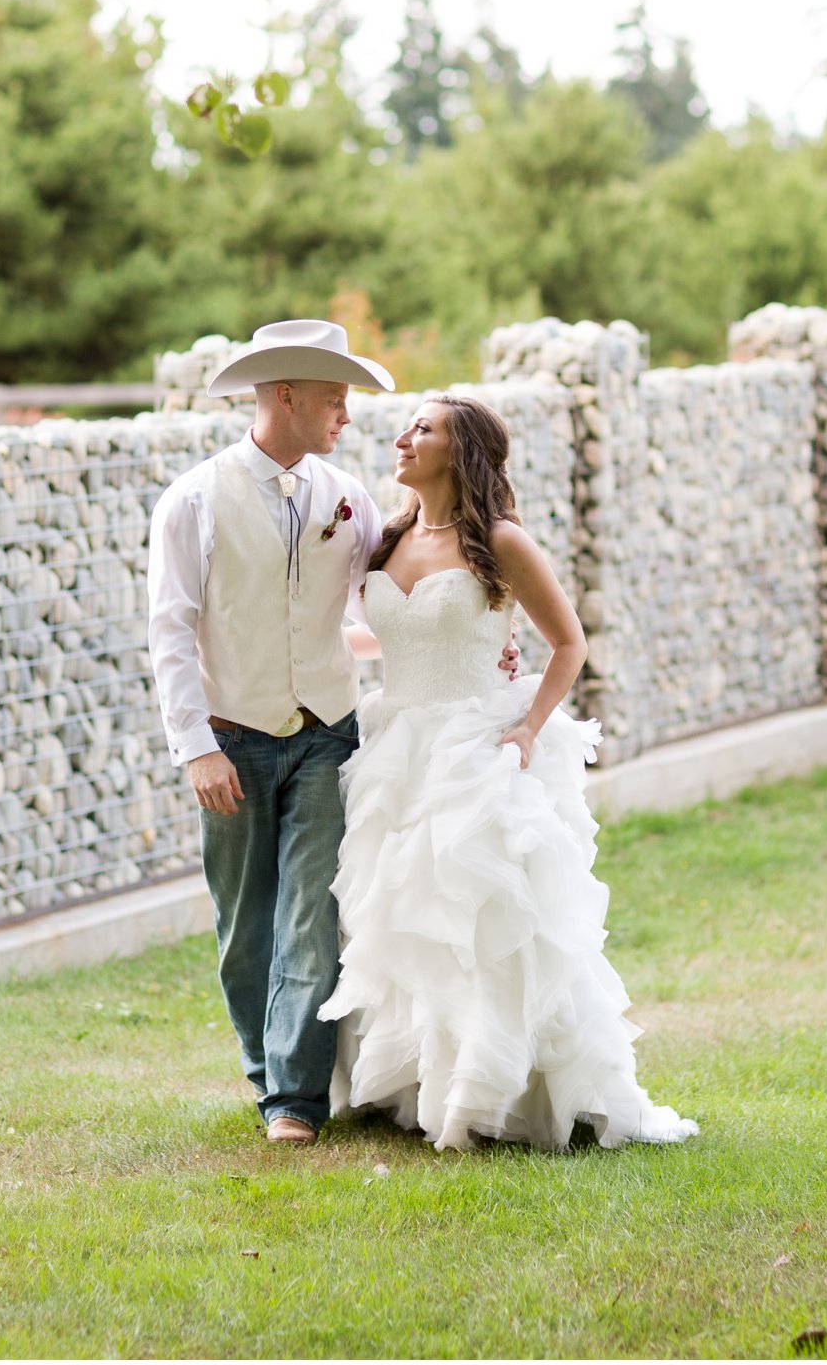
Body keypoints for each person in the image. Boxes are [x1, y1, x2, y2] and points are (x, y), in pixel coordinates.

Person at [146, 321, 514, 1147]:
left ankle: (295, 1101)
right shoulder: (195, 501)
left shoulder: (346, 497)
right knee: (246, 929)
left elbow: (378, 602)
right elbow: (169, 630)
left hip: (326, 736)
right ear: (286, 395)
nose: (348, 414)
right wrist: (195, 745)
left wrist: (484, 637)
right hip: (232, 739)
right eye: (334, 398)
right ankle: (264, 1071)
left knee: (313, 915)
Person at [320, 392, 700, 1152]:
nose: (402, 437)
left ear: (459, 453)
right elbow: (389, 637)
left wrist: (528, 727)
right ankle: (411, 1084)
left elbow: (568, 643)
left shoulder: (500, 542)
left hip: (475, 745)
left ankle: (498, 1092)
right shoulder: (386, 538)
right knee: (400, 916)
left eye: (421, 429)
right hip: (396, 748)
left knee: (482, 919)